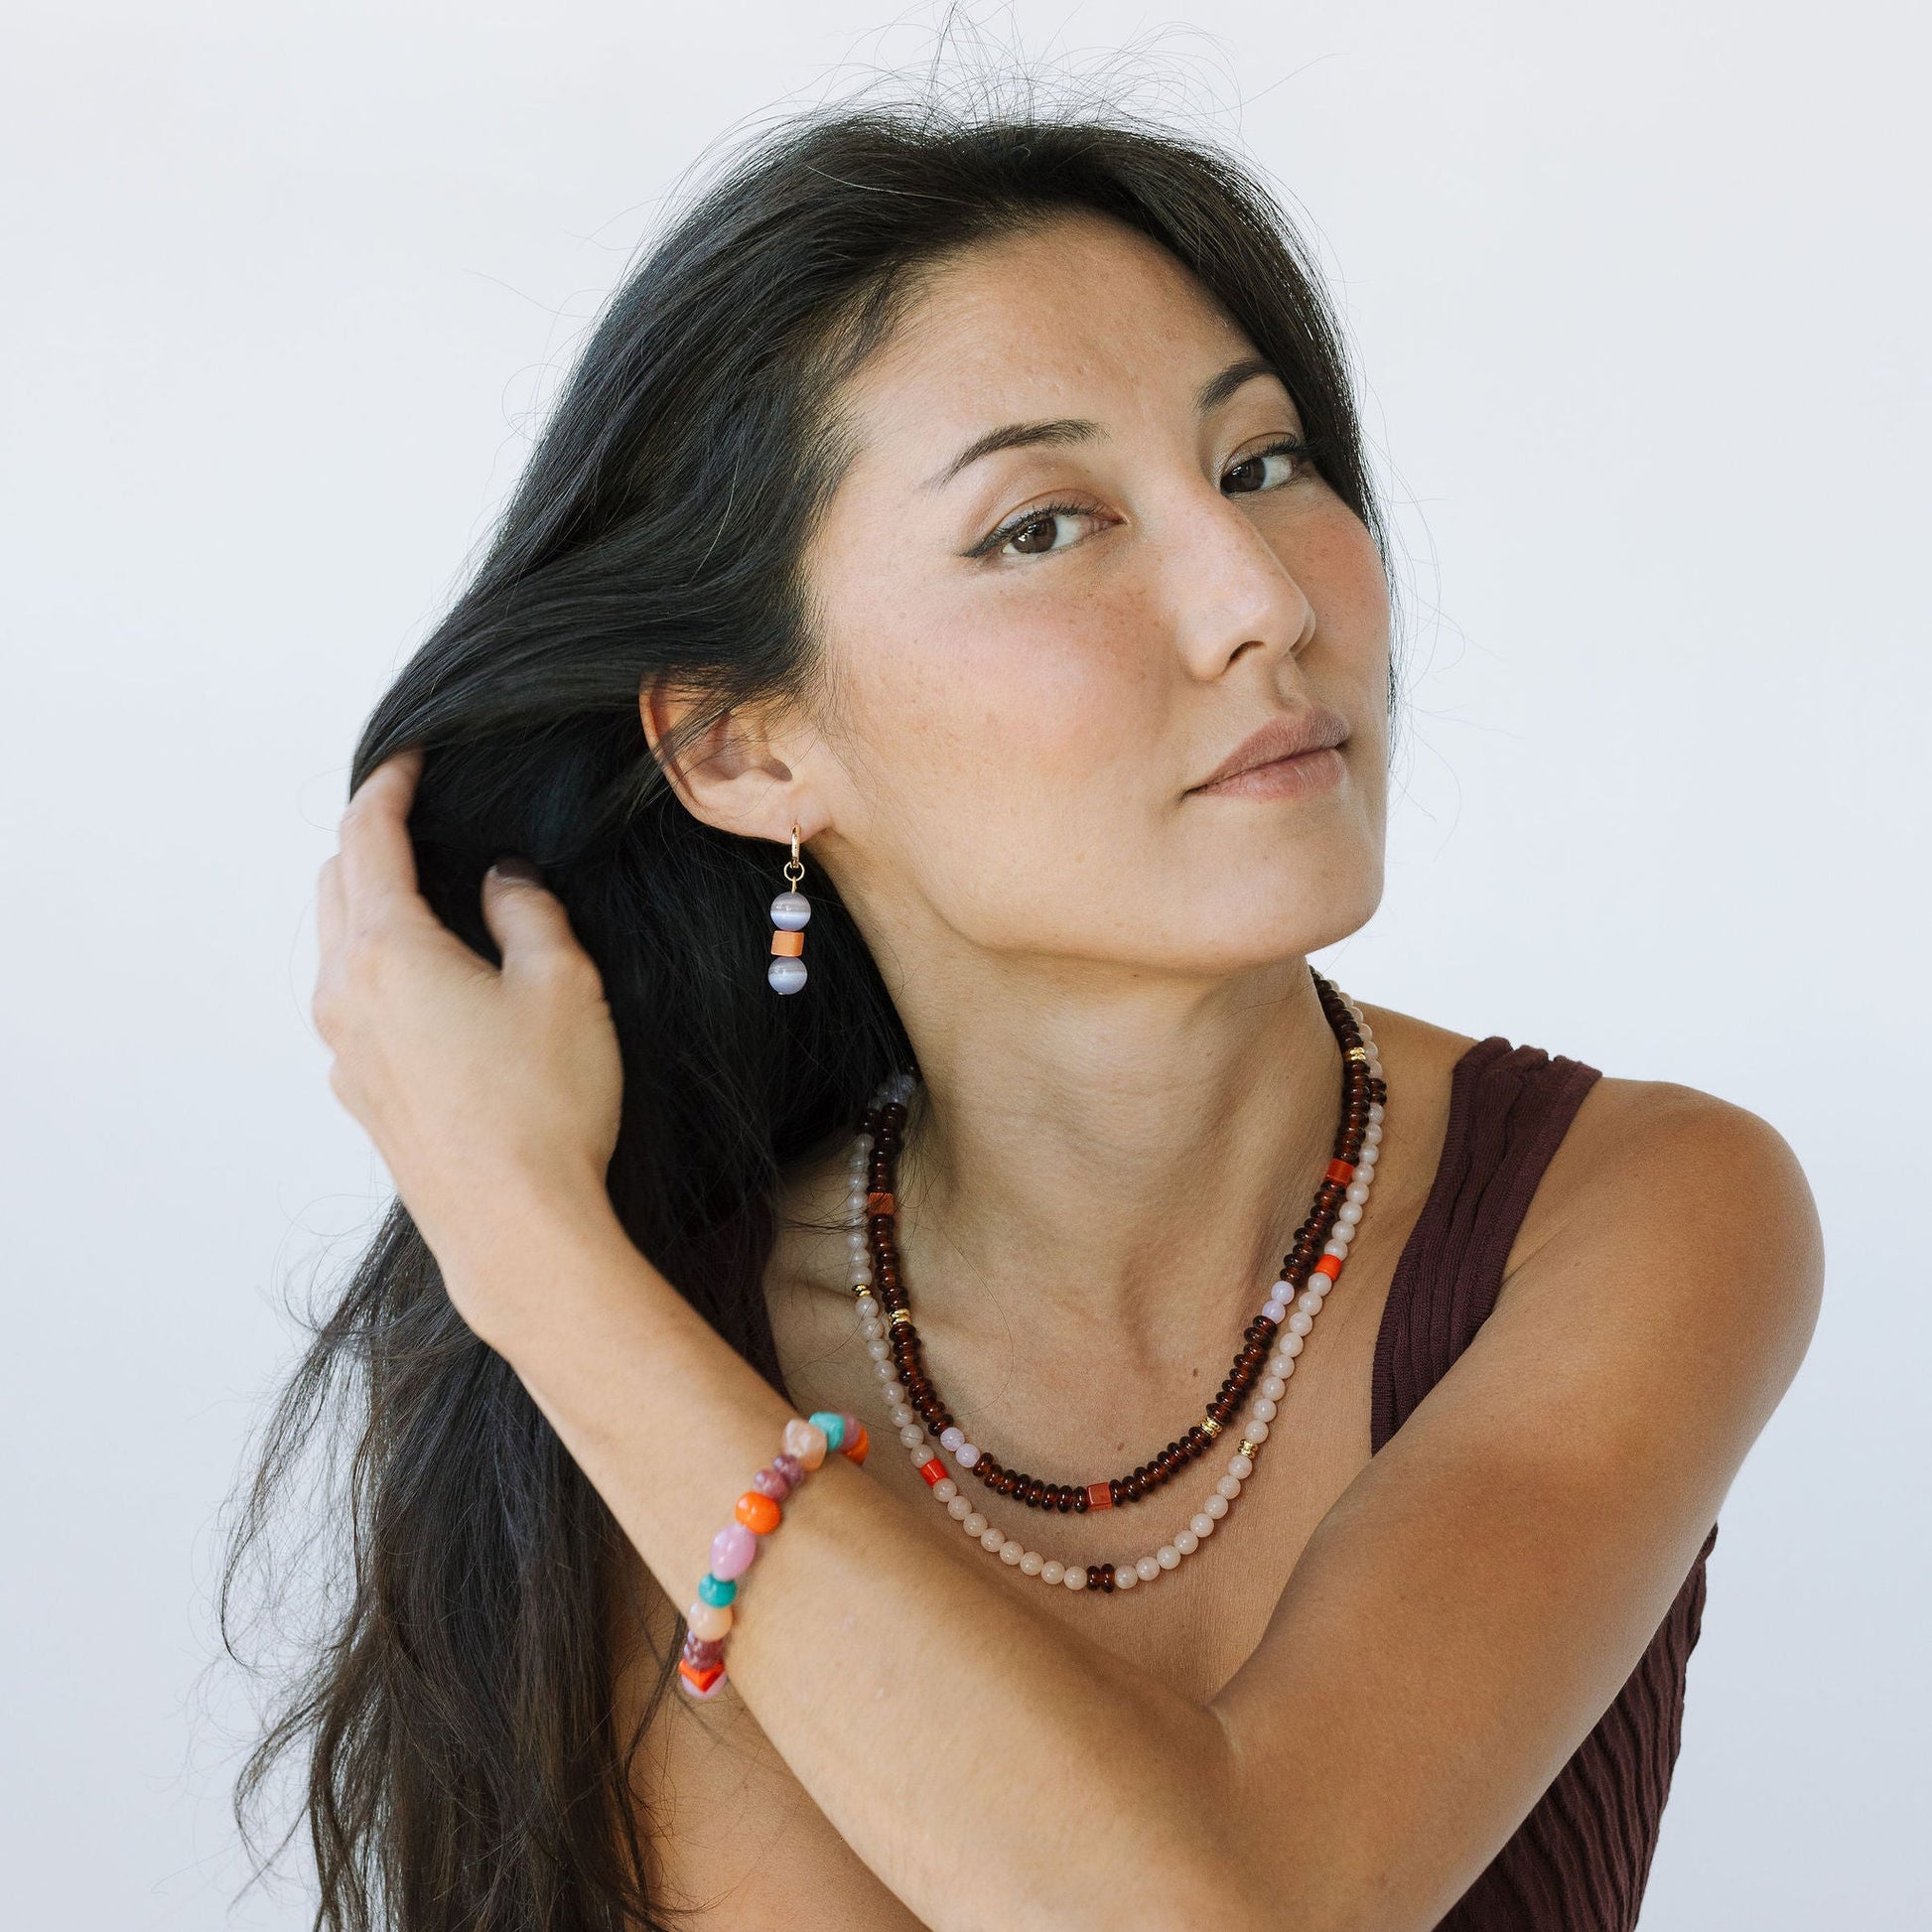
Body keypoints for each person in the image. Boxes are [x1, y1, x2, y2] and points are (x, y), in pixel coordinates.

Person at [240, 103, 1823, 1932]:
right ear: (741, 745)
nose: (1256, 602)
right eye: (1042, 526)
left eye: (1261, 462)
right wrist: (556, 1284)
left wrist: (526, 1255)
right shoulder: (661, 1332)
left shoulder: (1632, 1211)